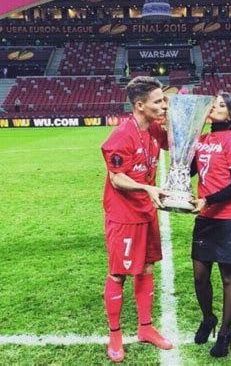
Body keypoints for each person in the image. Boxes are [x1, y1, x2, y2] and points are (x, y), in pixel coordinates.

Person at [100, 76, 172, 362]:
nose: (163, 105)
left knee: (145, 268)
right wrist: (147, 187)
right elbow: (117, 179)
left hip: (146, 212)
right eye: (158, 101)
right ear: (140, 105)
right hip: (123, 217)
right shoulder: (120, 136)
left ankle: (145, 328)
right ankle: (115, 335)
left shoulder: (154, 128)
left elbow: (177, 145)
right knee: (119, 273)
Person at [190, 92, 231, 357]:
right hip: (205, 220)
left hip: (227, 219)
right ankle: (208, 318)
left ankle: (225, 332)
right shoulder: (202, 140)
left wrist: (208, 200)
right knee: (200, 277)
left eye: (221, 105)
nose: (214, 107)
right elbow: (187, 169)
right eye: (213, 104)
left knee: (228, 277)